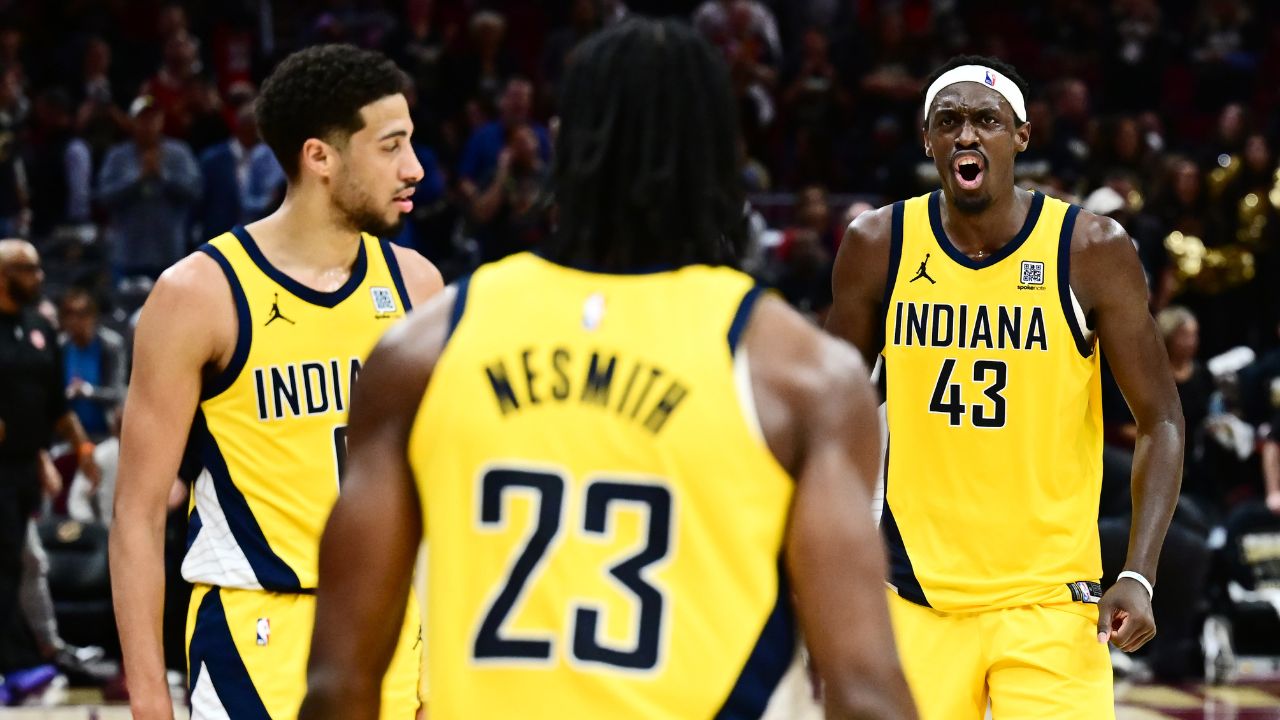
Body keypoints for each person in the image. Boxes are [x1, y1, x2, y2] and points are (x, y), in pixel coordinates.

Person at [300, 19, 916, 720]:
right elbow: (866, 694)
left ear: (562, 144)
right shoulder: (797, 374)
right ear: (722, 155)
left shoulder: (423, 351)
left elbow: (339, 683)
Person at [825, 55, 1185, 719]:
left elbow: (1161, 418)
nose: (967, 134)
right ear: (927, 140)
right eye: (949, 121)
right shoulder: (879, 244)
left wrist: (1138, 572)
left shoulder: (1089, 249)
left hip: (1051, 604)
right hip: (915, 596)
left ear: (1021, 136)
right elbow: (828, 412)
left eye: (986, 120)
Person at [110, 44, 443, 720]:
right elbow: (137, 515)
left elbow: (436, 495)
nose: (414, 168)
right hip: (256, 640)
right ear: (320, 157)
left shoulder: (417, 285)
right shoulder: (199, 295)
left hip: (399, 635)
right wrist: (149, 701)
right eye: (391, 146)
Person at [0, 239, 100, 690]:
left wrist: (83, 451)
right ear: (3, 276)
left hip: (24, 468)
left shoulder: (39, 328)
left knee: (22, 563)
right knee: (7, 563)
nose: (39, 277)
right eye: (28, 269)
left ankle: (40, 652)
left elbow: (55, 406)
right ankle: (17, 663)